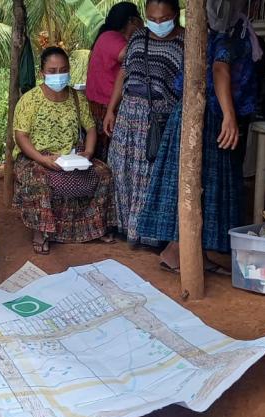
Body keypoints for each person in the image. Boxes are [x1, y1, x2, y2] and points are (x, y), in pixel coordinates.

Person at [137, 4, 259, 273]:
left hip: (198, 113)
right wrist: (229, 115)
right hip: (206, 117)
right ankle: (176, 253)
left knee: (198, 184)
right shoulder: (226, 38)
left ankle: (195, 255)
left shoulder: (213, 35)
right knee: (199, 183)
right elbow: (220, 70)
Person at [13, 47, 115, 255]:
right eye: (52, 70)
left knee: (103, 173)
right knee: (38, 179)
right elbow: (21, 137)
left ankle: (95, 227)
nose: (58, 75)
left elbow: (90, 128)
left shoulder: (77, 98)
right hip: (36, 156)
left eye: (63, 70)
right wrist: (43, 159)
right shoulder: (29, 100)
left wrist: (87, 152)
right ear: (42, 72)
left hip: (71, 155)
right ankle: (40, 231)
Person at [103, 0, 185, 246]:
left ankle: (149, 234)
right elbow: (124, 73)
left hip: (159, 119)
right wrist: (111, 110)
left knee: (151, 174)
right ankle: (123, 227)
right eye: (152, 19)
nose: (157, 24)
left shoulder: (186, 43)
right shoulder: (138, 37)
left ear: (176, 15)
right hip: (128, 113)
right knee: (121, 169)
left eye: (163, 19)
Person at [86, 2, 142, 161]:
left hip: (104, 105)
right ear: (133, 21)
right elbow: (129, 55)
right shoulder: (111, 37)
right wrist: (144, 37)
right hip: (107, 107)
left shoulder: (106, 36)